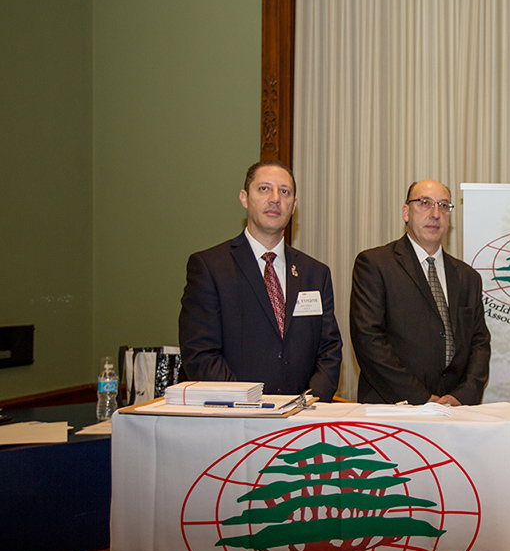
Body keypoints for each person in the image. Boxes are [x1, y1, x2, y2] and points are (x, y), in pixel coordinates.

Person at [178, 160, 342, 400]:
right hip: (236, 415)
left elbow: (329, 351)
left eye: (284, 192)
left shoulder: (316, 273)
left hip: (303, 415)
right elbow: (200, 353)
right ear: (244, 198)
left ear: (294, 205)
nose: (275, 199)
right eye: (264, 189)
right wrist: (247, 403)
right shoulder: (210, 267)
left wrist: (310, 402)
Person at [350, 179, 490, 405]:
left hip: (454, 412)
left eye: (444, 206)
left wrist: (462, 396)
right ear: (406, 212)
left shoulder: (468, 278)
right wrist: (421, 398)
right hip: (394, 410)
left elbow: (479, 343)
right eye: (425, 203)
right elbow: (369, 340)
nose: (435, 214)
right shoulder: (375, 265)